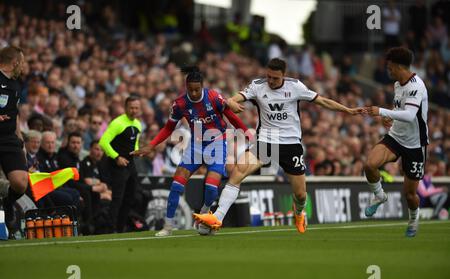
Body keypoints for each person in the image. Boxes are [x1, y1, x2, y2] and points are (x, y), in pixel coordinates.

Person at [193, 58, 362, 233]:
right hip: (266, 141)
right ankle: (217, 218)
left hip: (291, 144)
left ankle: (299, 212)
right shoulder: (258, 86)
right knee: (238, 172)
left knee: (300, 194)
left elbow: (323, 101)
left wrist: (347, 110)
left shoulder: (295, 87)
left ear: (284, 76)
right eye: (269, 77)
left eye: (275, 78)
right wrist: (230, 102)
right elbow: (235, 97)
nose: (271, 81)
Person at [131, 67, 249, 237]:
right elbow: (168, 128)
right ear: (185, 87)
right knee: (176, 186)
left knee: (211, 189)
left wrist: (247, 134)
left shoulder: (213, 97)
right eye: (190, 89)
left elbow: (232, 117)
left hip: (217, 144)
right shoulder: (180, 104)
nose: (193, 93)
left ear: (202, 87)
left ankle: (204, 212)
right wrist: (152, 145)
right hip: (196, 146)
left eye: (197, 89)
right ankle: (168, 227)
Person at [363, 47, 429, 237]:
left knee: (409, 195)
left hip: (416, 145)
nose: (388, 70)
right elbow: (400, 109)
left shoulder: (416, 86)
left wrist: (382, 112)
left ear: (400, 67)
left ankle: (413, 219)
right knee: (369, 165)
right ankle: (379, 196)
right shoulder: (397, 84)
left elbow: (409, 115)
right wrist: (389, 117)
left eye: (390, 67)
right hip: (395, 137)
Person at [99, 95, 142, 233]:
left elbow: (134, 142)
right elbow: (103, 142)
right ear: (125, 108)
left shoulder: (138, 124)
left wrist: (137, 151)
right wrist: (117, 157)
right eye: (131, 108)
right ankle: (110, 229)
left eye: (136, 108)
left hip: (130, 163)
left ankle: (120, 227)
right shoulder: (117, 123)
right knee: (117, 198)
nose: (134, 111)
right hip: (117, 164)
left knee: (131, 197)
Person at [0, 46, 28, 238]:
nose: (24, 66)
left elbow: (15, 114)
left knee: (21, 183)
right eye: (23, 61)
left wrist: (20, 138)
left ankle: (8, 202)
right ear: (15, 62)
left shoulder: (16, 85)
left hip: (9, 138)